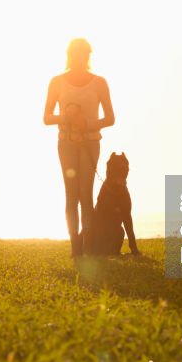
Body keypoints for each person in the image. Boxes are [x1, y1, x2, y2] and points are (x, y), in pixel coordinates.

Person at [44, 38, 115, 257]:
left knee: (86, 195)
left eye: (83, 54)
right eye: (75, 54)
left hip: (90, 142)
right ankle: (76, 245)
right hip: (66, 142)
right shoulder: (56, 81)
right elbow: (46, 118)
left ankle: (88, 245)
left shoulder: (100, 82)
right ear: (69, 55)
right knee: (71, 196)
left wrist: (88, 124)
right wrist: (66, 117)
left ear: (88, 56)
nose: (79, 58)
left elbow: (110, 118)